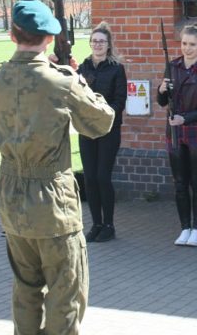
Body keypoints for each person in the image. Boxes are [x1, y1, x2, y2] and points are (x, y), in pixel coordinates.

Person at [0, 0, 115, 334]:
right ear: (48, 38)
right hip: (52, 201)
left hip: (11, 196)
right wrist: (76, 78)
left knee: (25, 289)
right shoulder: (61, 81)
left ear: (13, 36)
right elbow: (101, 123)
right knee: (65, 294)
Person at [156, 24, 197, 247]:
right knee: (180, 182)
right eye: (184, 43)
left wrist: (187, 118)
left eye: (192, 44)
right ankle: (184, 227)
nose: (187, 48)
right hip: (174, 131)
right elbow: (163, 102)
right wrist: (161, 91)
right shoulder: (171, 67)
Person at [77, 22, 127, 243]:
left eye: (102, 41)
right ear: (90, 44)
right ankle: (95, 223)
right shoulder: (83, 67)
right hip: (86, 130)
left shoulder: (116, 68)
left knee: (102, 177)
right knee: (89, 178)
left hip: (108, 130)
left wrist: (103, 116)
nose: (97, 44)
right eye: (94, 41)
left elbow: (119, 100)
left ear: (108, 45)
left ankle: (109, 224)